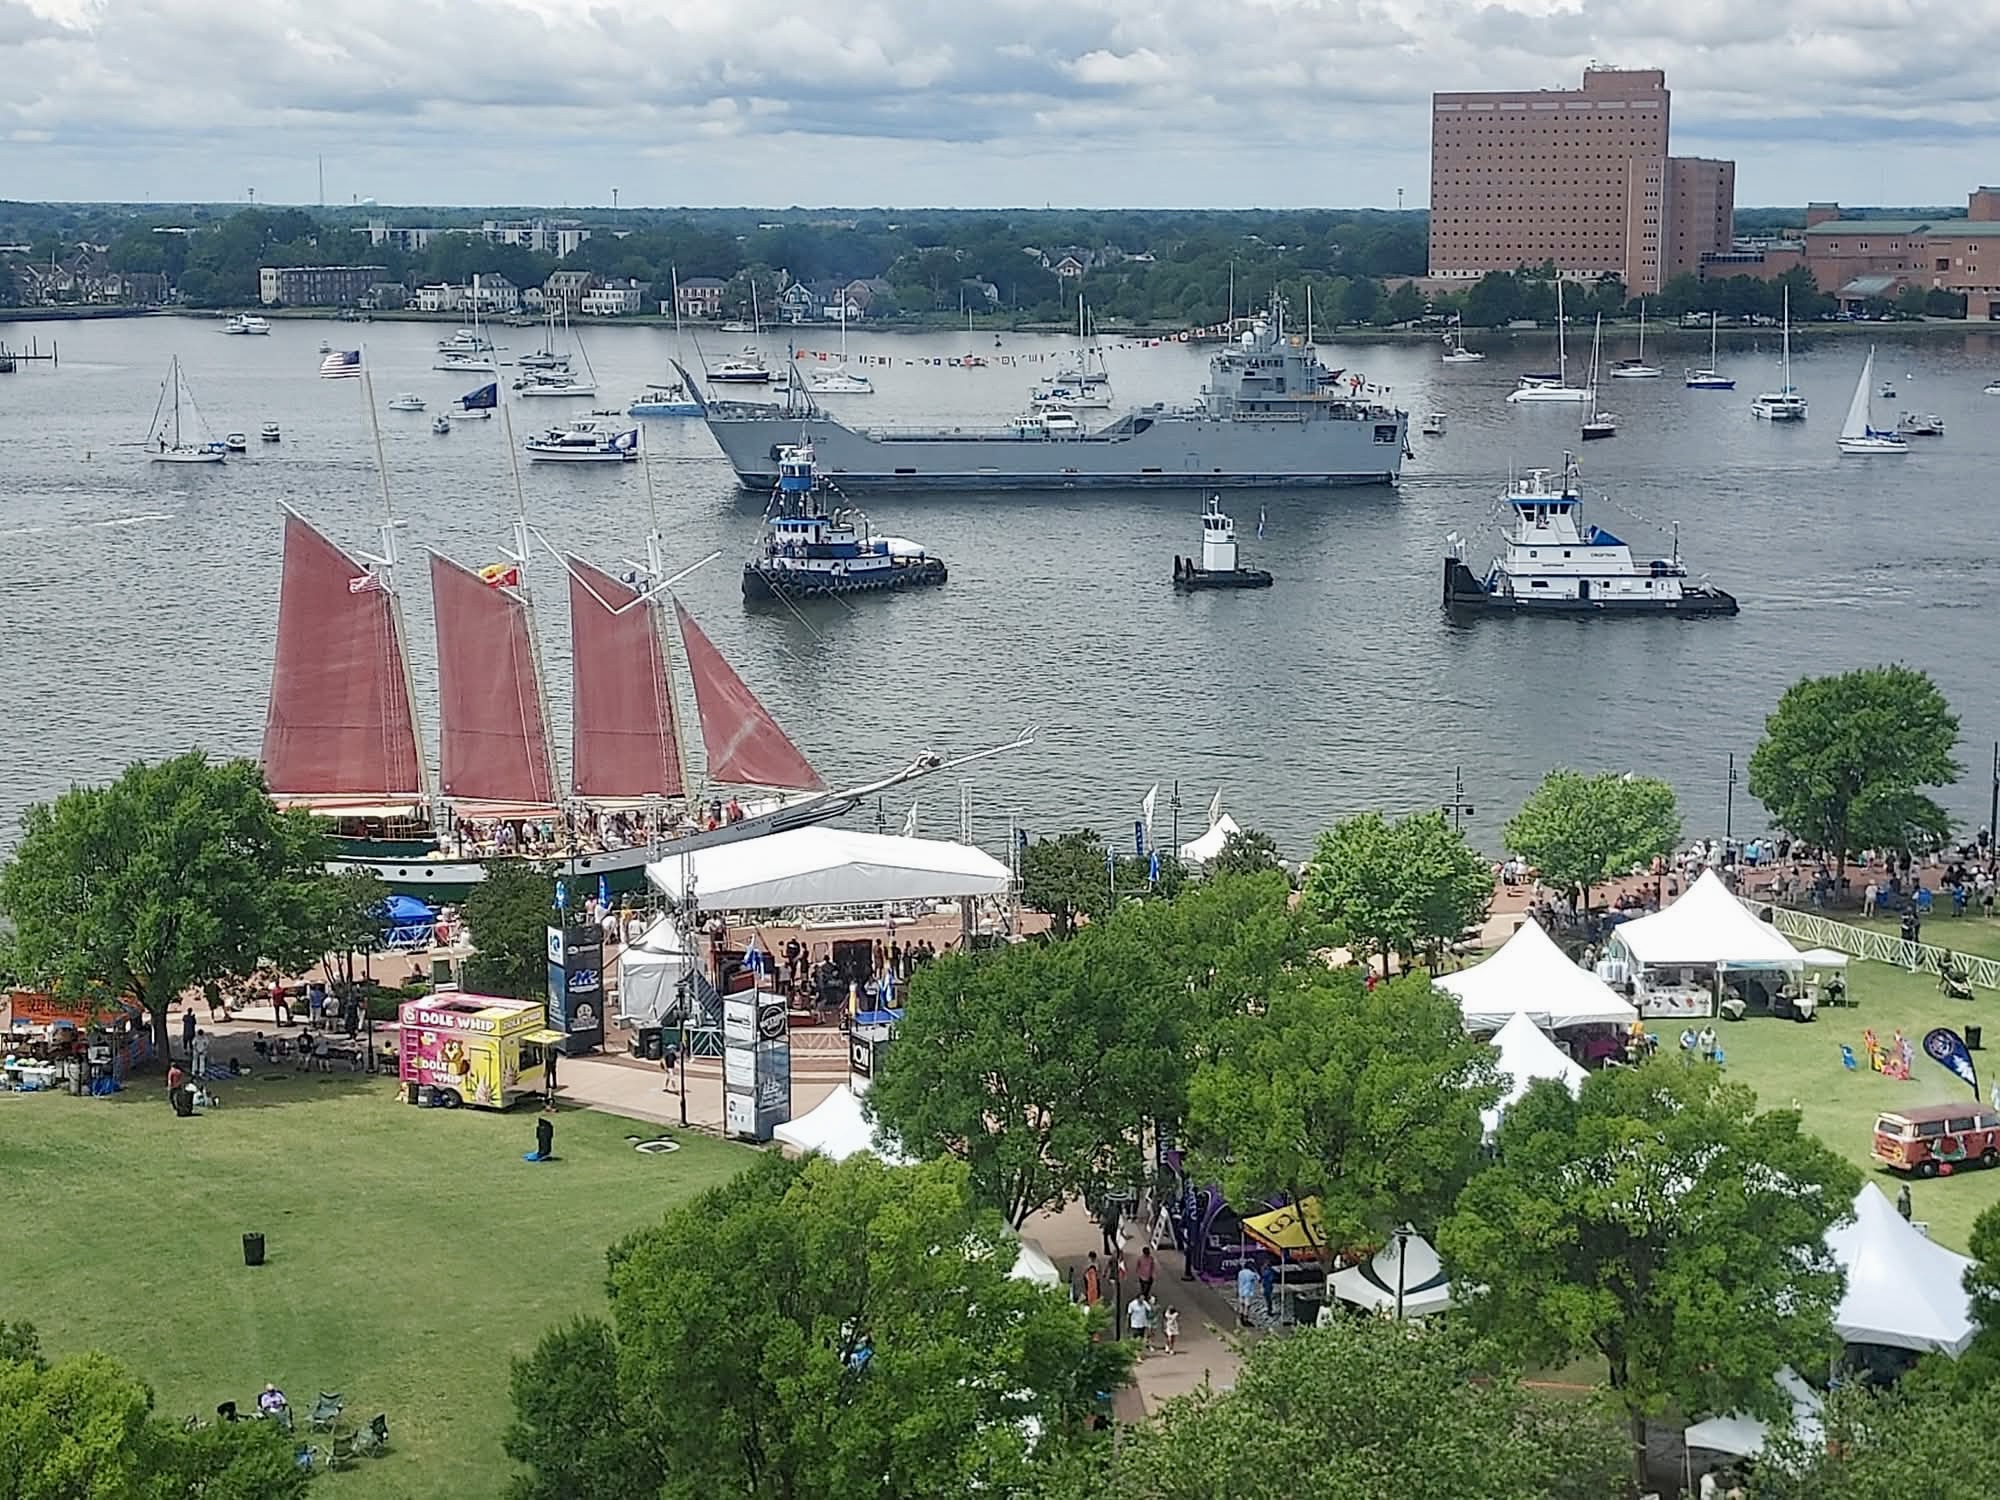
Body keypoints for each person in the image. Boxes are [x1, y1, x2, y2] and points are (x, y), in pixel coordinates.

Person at [543, 1045, 558, 1111]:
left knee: (551, 1073)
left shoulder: (549, 1048)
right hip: (549, 1061)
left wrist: (553, 1062)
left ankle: (552, 1084)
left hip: (550, 1062)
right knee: (550, 1073)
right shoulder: (548, 1048)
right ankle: (549, 1084)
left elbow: (553, 1056)